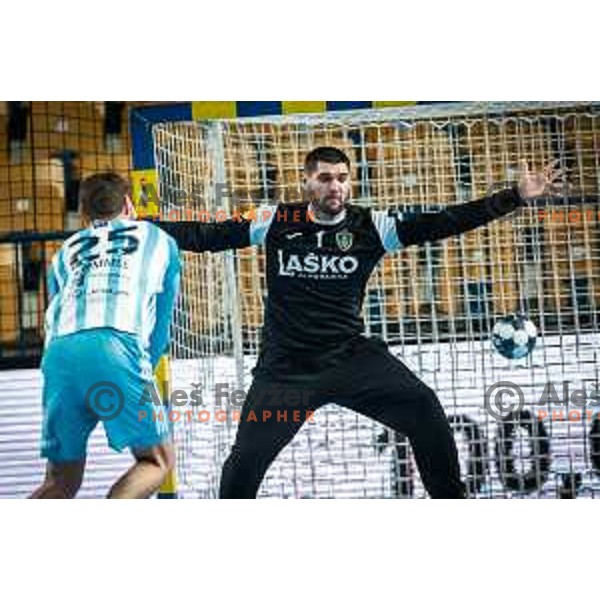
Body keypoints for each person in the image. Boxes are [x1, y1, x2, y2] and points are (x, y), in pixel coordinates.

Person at [156, 147, 563, 498]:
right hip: (286, 373)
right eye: (325, 179)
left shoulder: (373, 226)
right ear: (307, 183)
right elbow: (205, 235)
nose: (335, 187)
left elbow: (445, 222)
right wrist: (139, 226)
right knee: (243, 464)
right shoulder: (277, 220)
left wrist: (515, 196)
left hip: (350, 362)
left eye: (342, 179)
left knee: (424, 410)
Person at [30, 172, 181, 499]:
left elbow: (51, 317)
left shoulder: (63, 252)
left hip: (57, 357)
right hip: (118, 347)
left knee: (60, 482)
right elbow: (161, 328)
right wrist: (144, 375)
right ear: (129, 204)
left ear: (83, 214)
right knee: (157, 459)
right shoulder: (159, 239)